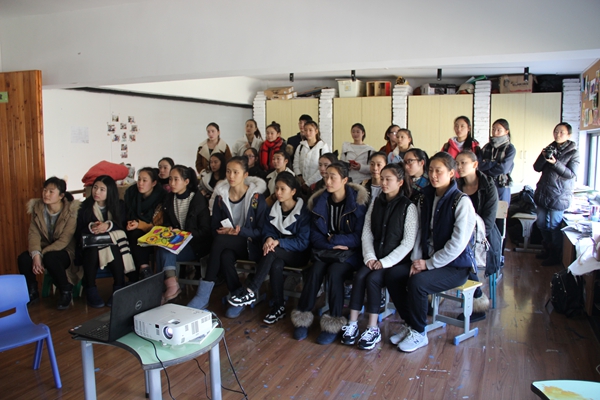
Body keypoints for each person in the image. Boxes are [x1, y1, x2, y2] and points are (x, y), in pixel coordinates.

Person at [389, 152, 476, 353]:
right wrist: (416, 260)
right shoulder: (425, 197)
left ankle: (419, 333)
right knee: (393, 275)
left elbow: (457, 244)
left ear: (451, 173)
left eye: (439, 171)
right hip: (427, 260)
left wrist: (428, 264)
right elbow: (420, 232)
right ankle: (410, 323)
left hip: (455, 266)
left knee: (418, 283)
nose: (434, 175)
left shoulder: (461, 201)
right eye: (430, 170)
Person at [341, 163, 417, 350]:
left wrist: (384, 262)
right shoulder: (376, 202)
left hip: (395, 261)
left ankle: (373, 328)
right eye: (382, 179)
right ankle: (352, 323)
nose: (383, 183)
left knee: (373, 279)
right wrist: (369, 257)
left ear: (400, 182)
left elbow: (407, 243)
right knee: (360, 276)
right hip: (374, 257)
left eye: (388, 179)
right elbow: (367, 233)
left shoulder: (408, 207)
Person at [291, 162, 368, 344]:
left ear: (345, 180)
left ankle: (333, 321)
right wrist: (333, 243)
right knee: (315, 270)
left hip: (350, 254)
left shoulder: (357, 203)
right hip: (325, 251)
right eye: (326, 176)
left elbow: (358, 237)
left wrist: (335, 240)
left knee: (335, 272)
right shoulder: (319, 201)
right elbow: (314, 236)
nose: (328, 181)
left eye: (333, 177)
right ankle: (302, 317)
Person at [187, 156, 267, 318]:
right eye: (228, 172)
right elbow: (214, 228)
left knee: (220, 241)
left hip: (252, 245)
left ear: (245, 175)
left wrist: (240, 232)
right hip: (227, 244)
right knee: (224, 254)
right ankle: (238, 296)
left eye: (236, 172)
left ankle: (203, 295)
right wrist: (227, 232)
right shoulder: (220, 198)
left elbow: (261, 232)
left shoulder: (256, 198)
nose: (231, 176)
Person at [227, 172, 310, 324]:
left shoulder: (303, 212)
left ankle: (251, 290)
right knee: (276, 263)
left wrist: (278, 242)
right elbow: (267, 230)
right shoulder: (273, 209)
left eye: (283, 189)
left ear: (293, 191)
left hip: (297, 255)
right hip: (277, 253)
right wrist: (269, 238)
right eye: (276, 188)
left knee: (272, 253)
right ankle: (278, 306)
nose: (278, 192)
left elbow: (302, 242)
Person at [18, 177, 80, 309]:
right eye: (45, 190)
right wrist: (35, 253)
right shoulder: (37, 209)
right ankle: (32, 292)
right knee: (23, 258)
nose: (46, 194)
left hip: (65, 250)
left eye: (51, 191)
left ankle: (65, 291)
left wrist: (41, 254)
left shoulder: (71, 211)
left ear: (61, 195)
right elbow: (33, 234)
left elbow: (64, 240)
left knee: (50, 258)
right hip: (43, 248)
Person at [456, 150, 501, 321]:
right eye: (457, 163)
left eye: (463, 163)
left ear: (475, 164)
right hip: (459, 234)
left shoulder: (488, 187)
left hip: (484, 237)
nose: (459, 167)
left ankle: (476, 303)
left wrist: (467, 240)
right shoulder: (456, 185)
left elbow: (488, 222)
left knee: (463, 256)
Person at [156, 165, 212, 302]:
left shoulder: (198, 200)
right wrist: (168, 229)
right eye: (170, 179)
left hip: (195, 245)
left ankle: (169, 287)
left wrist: (184, 234)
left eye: (176, 179)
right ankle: (171, 285)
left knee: (166, 251)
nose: (172, 183)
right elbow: (167, 222)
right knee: (161, 249)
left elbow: (205, 231)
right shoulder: (169, 199)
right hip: (175, 242)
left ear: (186, 181)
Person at [76, 175, 133, 308]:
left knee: (113, 246)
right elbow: (78, 230)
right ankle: (91, 289)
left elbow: (122, 225)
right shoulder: (84, 207)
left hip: (112, 243)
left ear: (110, 191)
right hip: (90, 246)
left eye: (102, 189)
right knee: (93, 248)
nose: (97, 192)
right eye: (95, 187)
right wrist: (92, 227)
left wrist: (108, 226)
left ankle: (118, 287)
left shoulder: (119, 205)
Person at [533, 122, 580, 266]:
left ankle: (555, 255)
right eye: (556, 131)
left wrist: (555, 163)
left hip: (559, 195)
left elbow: (571, 174)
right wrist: (543, 157)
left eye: (561, 132)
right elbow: (536, 168)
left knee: (554, 225)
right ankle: (547, 248)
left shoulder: (573, 153)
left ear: (569, 135)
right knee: (541, 223)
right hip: (544, 192)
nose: (558, 134)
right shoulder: (549, 148)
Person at [123, 167, 165, 281]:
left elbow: (159, 225)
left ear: (154, 183)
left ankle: (142, 270)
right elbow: (126, 213)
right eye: (139, 179)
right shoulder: (131, 193)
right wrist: (131, 222)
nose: (140, 183)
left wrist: (139, 224)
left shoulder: (162, 197)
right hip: (132, 229)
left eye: (144, 180)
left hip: (153, 231)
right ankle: (141, 271)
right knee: (129, 234)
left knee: (137, 234)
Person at [478, 119, 516, 204]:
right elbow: (479, 165)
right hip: (485, 183)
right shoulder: (486, 147)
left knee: (500, 209)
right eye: (493, 129)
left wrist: (487, 169)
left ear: (506, 132)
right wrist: (494, 163)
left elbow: (503, 169)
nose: (495, 132)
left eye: (499, 130)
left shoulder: (510, 148)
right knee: (486, 208)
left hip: (501, 185)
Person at [294, 121, 330, 195]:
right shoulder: (300, 146)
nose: (307, 133)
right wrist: (300, 178)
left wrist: (308, 183)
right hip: (301, 184)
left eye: (310, 130)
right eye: (305, 130)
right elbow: (296, 163)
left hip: (317, 184)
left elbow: (324, 167)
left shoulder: (322, 147)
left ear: (316, 131)